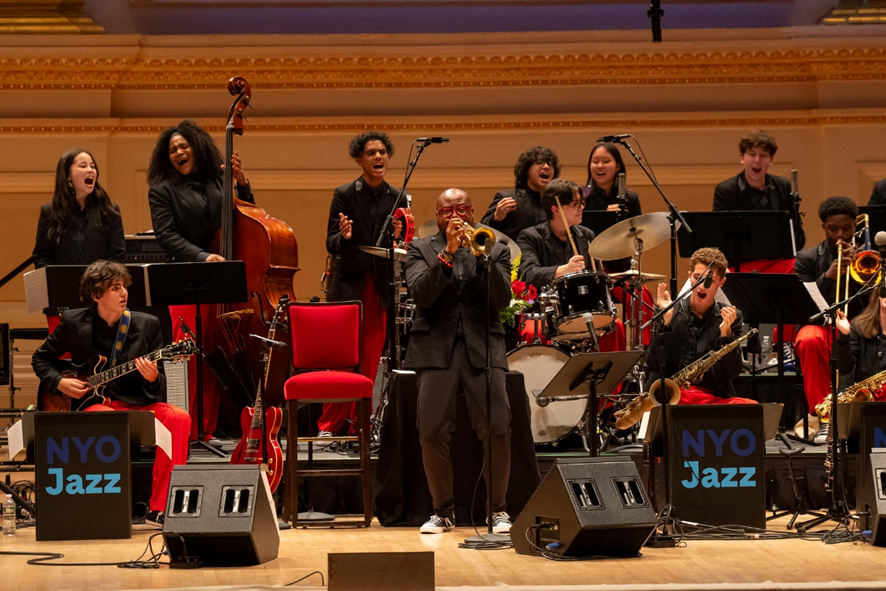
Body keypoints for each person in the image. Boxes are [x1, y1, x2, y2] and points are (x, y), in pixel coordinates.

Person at [31, 260, 190, 526]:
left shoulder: (147, 325)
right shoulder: (73, 322)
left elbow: (159, 386)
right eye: (115, 288)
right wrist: (60, 382)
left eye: (124, 286)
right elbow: (40, 359)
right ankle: (106, 509)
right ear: (96, 295)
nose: (124, 293)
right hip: (94, 405)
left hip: (137, 402)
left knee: (179, 418)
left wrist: (152, 377)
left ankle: (161, 508)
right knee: (105, 418)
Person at [405, 188, 512, 535]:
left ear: (472, 211)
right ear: (437, 216)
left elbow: (501, 299)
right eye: (448, 210)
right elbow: (422, 294)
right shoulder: (420, 249)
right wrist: (448, 255)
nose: (456, 216)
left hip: (485, 347)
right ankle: (443, 512)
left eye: (462, 209)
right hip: (435, 348)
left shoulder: (495, 247)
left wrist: (482, 259)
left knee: (498, 428)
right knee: (432, 431)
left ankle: (497, 511)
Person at [147, 119, 253, 443]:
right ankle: (186, 428)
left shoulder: (219, 180)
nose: (179, 152)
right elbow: (167, 236)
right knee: (187, 355)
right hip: (186, 277)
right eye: (173, 150)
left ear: (196, 147)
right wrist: (202, 256)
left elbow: (245, 215)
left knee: (214, 353)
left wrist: (242, 182)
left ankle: (208, 428)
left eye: (184, 146)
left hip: (219, 277)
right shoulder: (161, 191)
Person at [323, 131, 402, 437]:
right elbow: (330, 243)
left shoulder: (396, 196)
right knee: (341, 358)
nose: (378, 156)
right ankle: (330, 424)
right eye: (371, 153)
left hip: (379, 287)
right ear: (359, 160)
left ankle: (362, 422)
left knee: (370, 360)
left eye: (382, 151)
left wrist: (398, 236)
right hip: (348, 287)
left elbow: (400, 246)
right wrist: (343, 237)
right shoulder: (344, 194)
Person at [516, 178, 625, 351]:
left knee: (615, 326)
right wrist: (563, 270)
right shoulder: (530, 237)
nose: (581, 208)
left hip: (582, 310)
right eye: (575, 204)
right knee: (531, 333)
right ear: (555, 209)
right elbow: (528, 273)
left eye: (582, 203)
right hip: (543, 312)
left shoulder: (586, 235)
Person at [794, 197, 865, 441]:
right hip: (820, 324)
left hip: (857, 325)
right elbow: (802, 305)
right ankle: (823, 416)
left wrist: (857, 273)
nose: (840, 235)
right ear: (824, 227)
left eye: (846, 228)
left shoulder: (867, 257)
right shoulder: (806, 258)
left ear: (854, 227)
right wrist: (827, 277)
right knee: (808, 340)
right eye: (833, 229)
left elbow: (872, 303)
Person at [646, 247, 755, 405]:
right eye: (697, 278)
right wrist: (666, 324)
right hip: (670, 397)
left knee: (750, 406)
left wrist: (726, 335)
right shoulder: (669, 310)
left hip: (712, 397)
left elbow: (732, 373)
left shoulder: (731, 317)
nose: (702, 286)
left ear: (722, 282)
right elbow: (653, 364)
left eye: (710, 280)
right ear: (689, 277)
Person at [33, 148, 126, 331]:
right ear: (68, 176)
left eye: (93, 166)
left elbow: (117, 256)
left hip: (100, 300)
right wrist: (58, 280)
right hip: (59, 301)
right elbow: (41, 256)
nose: (91, 170)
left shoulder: (110, 212)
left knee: (99, 350)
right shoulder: (49, 212)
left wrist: (99, 282)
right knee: (62, 349)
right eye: (83, 166)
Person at [712, 129, 805, 272]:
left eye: (763, 155)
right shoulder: (726, 190)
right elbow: (719, 238)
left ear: (771, 160)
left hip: (777, 262)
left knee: (802, 266)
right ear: (742, 158)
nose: (757, 160)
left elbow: (798, 236)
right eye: (752, 154)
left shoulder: (784, 187)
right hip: (740, 264)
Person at [481, 146, 560, 241]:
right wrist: (496, 217)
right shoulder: (508, 198)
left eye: (550, 164)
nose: (546, 167)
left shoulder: (558, 203)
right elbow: (481, 233)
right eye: (539, 162)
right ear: (527, 169)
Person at [583, 142, 641, 219]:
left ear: (618, 166)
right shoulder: (581, 198)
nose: (599, 166)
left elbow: (637, 226)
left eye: (606, 161)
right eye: (595, 162)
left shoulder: (631, 200)